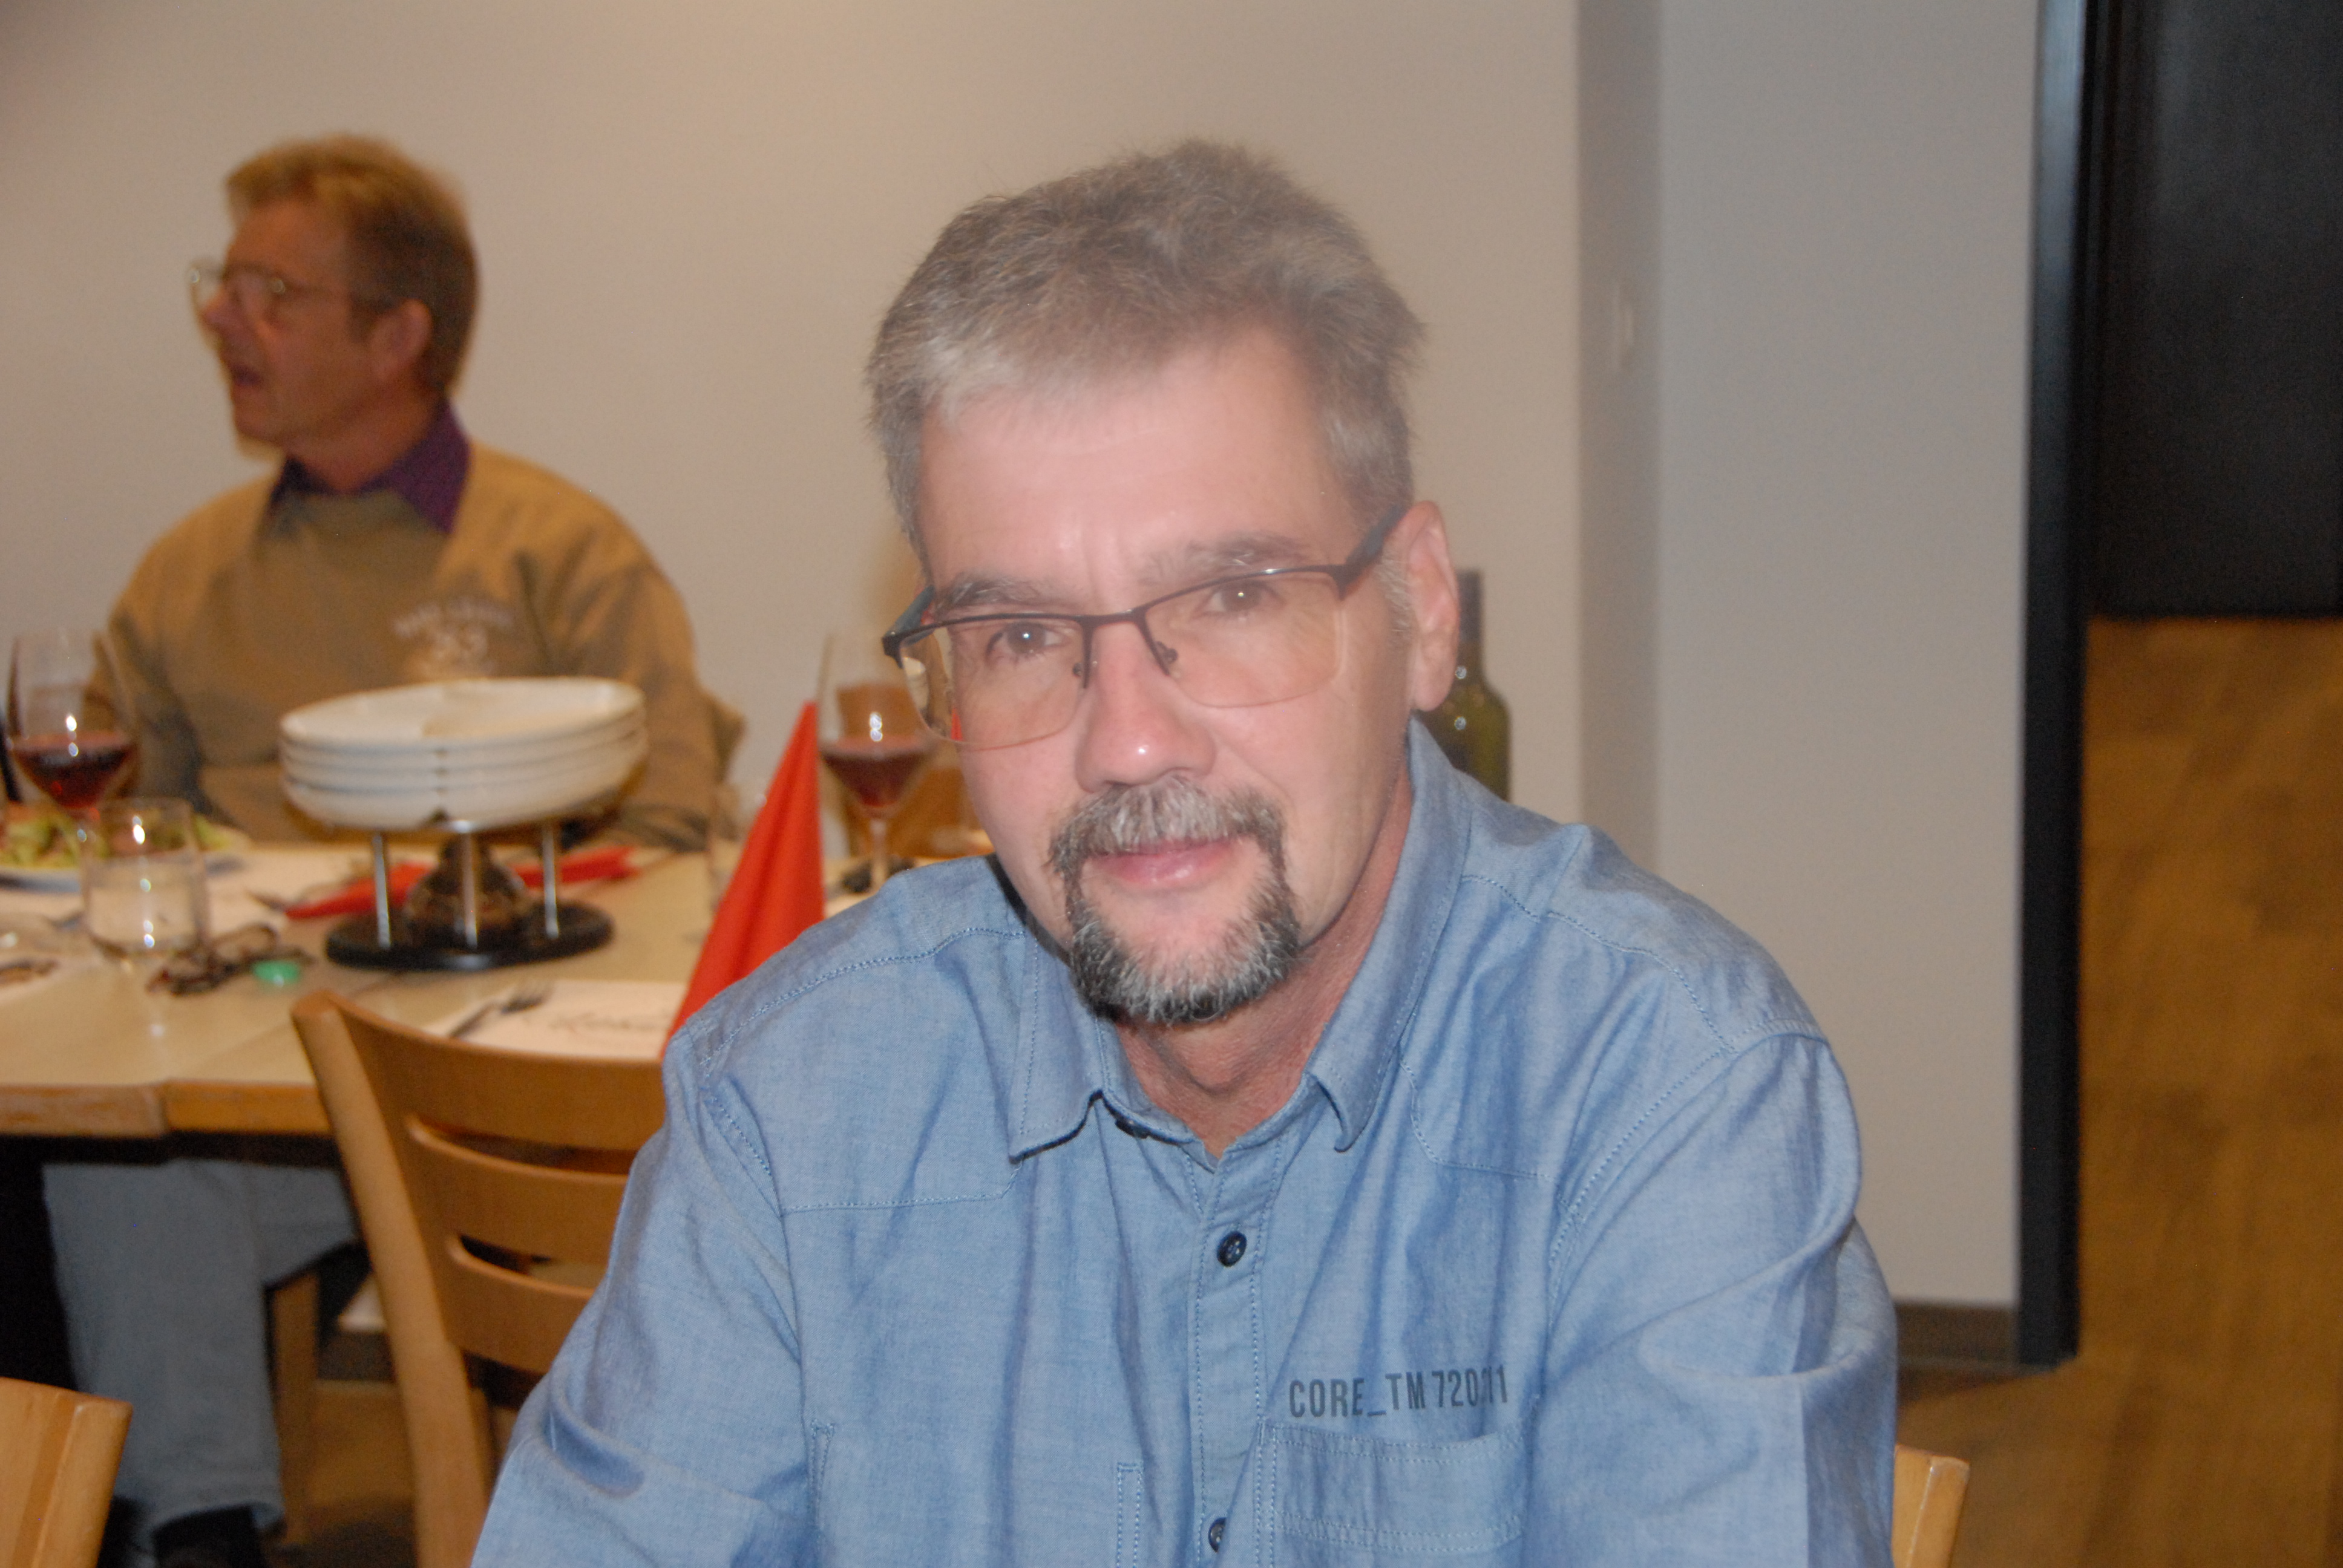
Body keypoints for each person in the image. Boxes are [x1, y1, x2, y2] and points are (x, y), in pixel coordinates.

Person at [478, 140, 1896, 1564]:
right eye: (1021, 635)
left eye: (1229, 598)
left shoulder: (1663, 1089)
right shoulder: (791, 1104)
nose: (1130, 743)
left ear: (1418, 611)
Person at [43, 136, 729, 1568]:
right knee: (110, 1163)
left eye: (270, 292)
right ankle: (200, 1534)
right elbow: (114, 842)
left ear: (398, 335)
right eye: (222, 285)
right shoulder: (187, 572)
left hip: (491, 1096)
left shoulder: (556, 549)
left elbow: (670, 826)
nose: (221, 317)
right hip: (259, 1076)